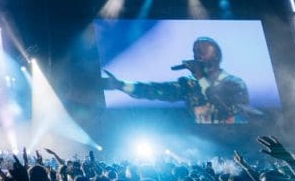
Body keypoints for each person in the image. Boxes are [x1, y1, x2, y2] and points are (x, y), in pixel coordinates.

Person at [101, 36, 253, 124]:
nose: (197, 56)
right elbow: (157, 90)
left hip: (231, 137)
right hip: (202, 135)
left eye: (201, 52)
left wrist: (200, 77)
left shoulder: (234, 83)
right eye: (194, 52)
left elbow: (226, 109)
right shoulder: (189, 84)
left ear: (216, 56)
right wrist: (121, 85)